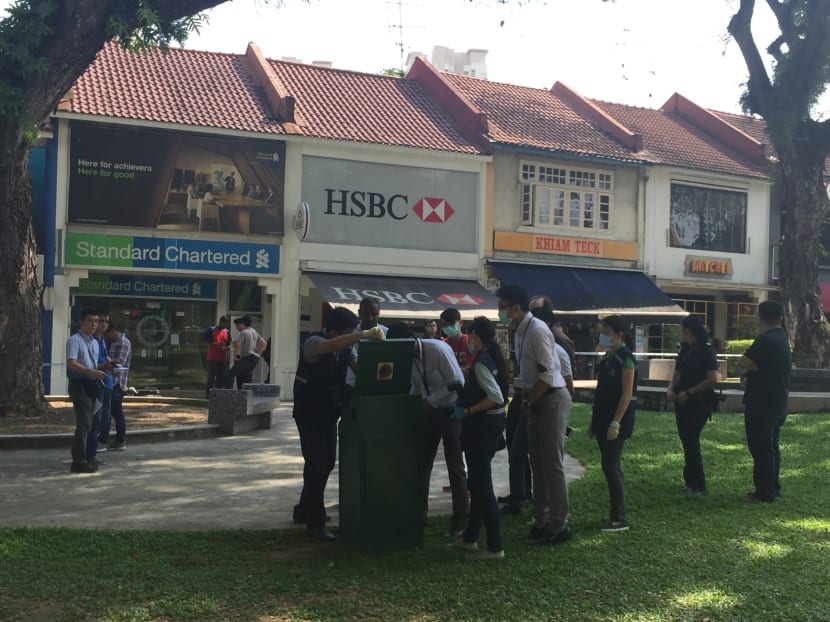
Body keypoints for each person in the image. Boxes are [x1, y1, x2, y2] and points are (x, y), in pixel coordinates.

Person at [292, 307, 385, 540]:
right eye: (346, 333)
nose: (349, 337)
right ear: (333, 330)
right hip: (309, 414)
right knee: (316, 466)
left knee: (325, 464)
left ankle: (304, 509)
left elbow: (359, 368)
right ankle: (315, 522)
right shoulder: (314, 343)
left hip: (329, 413)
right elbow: (331, 346)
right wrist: (362, 335)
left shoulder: (345, 350)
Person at [496, 285, 571, 545]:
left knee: (553, 465)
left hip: (549, 398)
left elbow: (549, 375)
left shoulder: (537, 330)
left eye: (503, 307)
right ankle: (542, 521)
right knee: (537, 465)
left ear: (516, 308)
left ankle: (560, 525)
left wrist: (529, 401)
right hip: (534, 398)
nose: (500, 313)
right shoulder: (519, 330)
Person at [386, 322, 469, 537]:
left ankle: (461, 520)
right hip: (429, 413)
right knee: (421, 463)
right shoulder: (408, 358)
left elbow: (457, 382)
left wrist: (430, 400)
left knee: (455, 466)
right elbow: (416, 386)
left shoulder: (437, 350)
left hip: (451, 412)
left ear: (411, 340)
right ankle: (418, 514)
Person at [450, 316, 508, 559]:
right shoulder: (492, 356)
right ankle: (470, 538)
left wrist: (468, 411)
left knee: (482, 487)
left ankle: (495, 546)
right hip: (491, 426)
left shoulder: (482, 361)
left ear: (475, 335)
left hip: (482, 428)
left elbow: (495, 397)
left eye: (470, 335)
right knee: (477, 482)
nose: (468, 339)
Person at [738, 300, 792, 503]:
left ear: (760, 317)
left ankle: (765, 491)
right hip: (778, 402)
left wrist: (753, 367)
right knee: (771, 447)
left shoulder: (766, 339)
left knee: (761, 448)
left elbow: (743, 361)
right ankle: (772, 487)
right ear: (780, 317)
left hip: (761, 403)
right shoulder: (782, 338)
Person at [589, 315, 636, 532]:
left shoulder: (626, 358)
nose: (603, 336)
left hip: (617, 421)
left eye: (606, 331)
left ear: (618, 333)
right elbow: (601, 394)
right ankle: (616, 512)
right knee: (611, 466)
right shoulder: (608, 357)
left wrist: (615, 422)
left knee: (611, 466)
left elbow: (626, 394)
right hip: (603, 419)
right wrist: (595, 423)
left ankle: (619, 518)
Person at [667, 316, 719, 494]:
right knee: (686, 440)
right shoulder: (685, 349)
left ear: (688, 330)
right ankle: (689, 479)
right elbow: (677, 372)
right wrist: (671, 390)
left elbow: (712, 379)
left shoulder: (706, 350)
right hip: (681, 401)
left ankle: (698, 483)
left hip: (698, 402)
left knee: (691, 439)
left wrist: (689, 393)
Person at [65, 308, 107, 473]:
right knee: (84, 423)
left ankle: (87, 456)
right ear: (81, 322)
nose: (93, 324)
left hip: (92, 384)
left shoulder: (94, 342)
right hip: (79, 384)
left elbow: (93, 363)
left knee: (91, 422)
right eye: (90, 321)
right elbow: (71, 362)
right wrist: (90, 372)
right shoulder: (75, 340)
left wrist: (101, 370)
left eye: (96, 321)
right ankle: (78, 460)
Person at [345, 298, 388, 398]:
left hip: (377, 388)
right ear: (359, 313)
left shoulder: (386, 332)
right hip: (350, 386)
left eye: (374, 314)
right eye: (366, 314)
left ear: (379, 314)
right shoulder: (350, 332)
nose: (370, 319)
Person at [102, 323, 132, 451]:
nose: (106, 337)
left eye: (107, 334)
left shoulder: (123, 342)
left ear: (113, 331)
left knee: (110, 412)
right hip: (112, 381)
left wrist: (107, 362)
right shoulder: (114, 342)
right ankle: (119, 441)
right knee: (116, 412)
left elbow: (120, 362)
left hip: (117, 382)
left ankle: (105, 439)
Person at [92, 311, 114, 456]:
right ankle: (94, 442)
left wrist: (110, 363)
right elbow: (91, 363)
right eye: (101, 321)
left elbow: (104, 358)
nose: (104, 324)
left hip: (108, 381)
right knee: (98, 414)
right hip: (99, 380)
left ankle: (101, 441)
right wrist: (103, 365)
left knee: (106, 414)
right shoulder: (92, 340)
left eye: (106, 321)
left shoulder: (102, 340)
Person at [225, 316, 267, 389]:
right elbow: (264, 343)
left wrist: (234, 356)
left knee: (230, 374)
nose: (237, 327)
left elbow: (238, 344)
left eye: (239, 324)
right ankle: (246, 396)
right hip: (254, 358)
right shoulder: (253, 331)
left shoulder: (243, 332)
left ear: (242, 323)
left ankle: (227, 394)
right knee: (246, 379)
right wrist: (257, 352)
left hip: (246, 357)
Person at [205, 316, 231, 397]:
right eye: (224, 324)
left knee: (221, 378)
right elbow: (207, 343)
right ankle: (208, 396)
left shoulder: (227, 331)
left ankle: (219, 396)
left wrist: (226, 348)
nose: (225, 326)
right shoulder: (211, 330)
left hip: (222, 358)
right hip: (212, 358)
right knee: (211, 378)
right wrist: (217, 344)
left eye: (227, 324)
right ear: (221, 322)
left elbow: (229, 344)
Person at [440, 307, 470, 375]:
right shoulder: (443, 344)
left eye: (451, 324)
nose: (448, 327)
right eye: (445, 324)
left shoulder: (469, 342)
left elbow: (470, 366)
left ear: (461, 323)